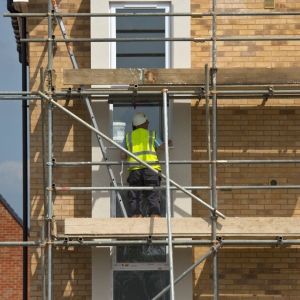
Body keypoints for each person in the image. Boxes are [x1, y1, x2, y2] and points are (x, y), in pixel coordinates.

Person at [120, 112, 172, 218]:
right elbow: (162, 147)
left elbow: (122, 155)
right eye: (147, 122)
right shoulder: (151, 134)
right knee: (153, 193)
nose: (148, 124)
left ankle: (136, 215)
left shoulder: (128, 136)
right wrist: (168, 143)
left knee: (135, 194)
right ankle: (154, 215)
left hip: (135, 170)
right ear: (143, 123)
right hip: (151, 169)